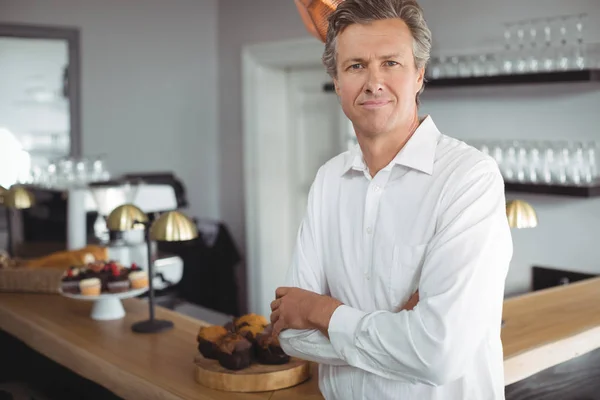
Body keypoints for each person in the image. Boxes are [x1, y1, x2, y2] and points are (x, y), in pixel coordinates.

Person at [269, 0, 513, 399]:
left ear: (419, 75)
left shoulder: (469, 178)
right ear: (336, 81)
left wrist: (320, 311)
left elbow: (438, 353)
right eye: (355, 66)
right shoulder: (328, 180)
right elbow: (291, 336)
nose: (373, 82)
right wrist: (398, 328)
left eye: (391, 63)